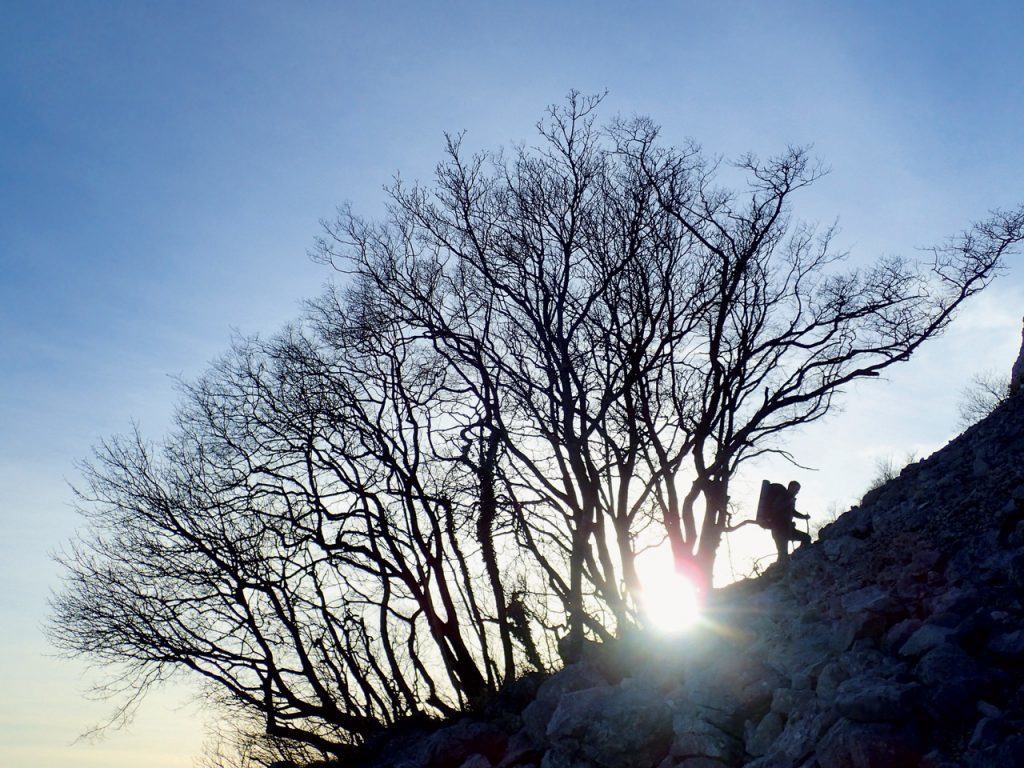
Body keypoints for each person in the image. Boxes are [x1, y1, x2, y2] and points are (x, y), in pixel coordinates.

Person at [768, 480, 811, 565]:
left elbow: (793, 512)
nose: (797, 492)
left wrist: (804, 517)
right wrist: (789, 502)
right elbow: (775, 508)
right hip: (778, 530)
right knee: (783, 554)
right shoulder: (783, 496)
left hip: (787, 529)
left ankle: (797, 557)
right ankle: (779, 572)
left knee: (806, 538)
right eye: (796, 489)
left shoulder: (789, 498)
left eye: (798, 490)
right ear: (790, 487)